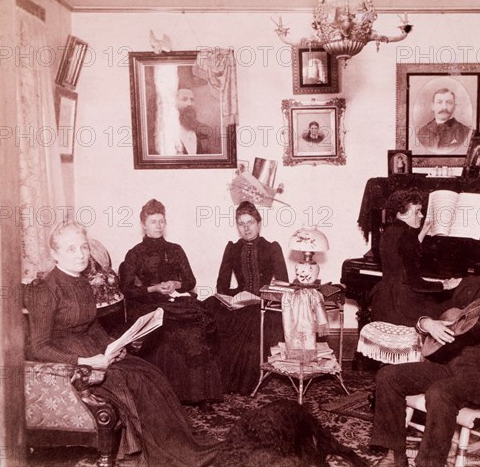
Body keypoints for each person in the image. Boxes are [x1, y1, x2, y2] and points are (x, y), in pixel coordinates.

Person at [25, 220, 219, 467]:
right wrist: (85, 361)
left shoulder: (83, 283)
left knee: (150, 371)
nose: (80, 255)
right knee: (135, 381)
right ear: (54, 253)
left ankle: (183, 445)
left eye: (84, 247)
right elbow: (38, 346)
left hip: (94, 352)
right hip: (74, 365)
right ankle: (169, 454)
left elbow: (91, 325)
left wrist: (115, 344)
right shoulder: (44, 289)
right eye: (71, 249)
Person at [370, 230, 480, 467]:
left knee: (440, 392)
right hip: (454, 368)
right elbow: (438, 310)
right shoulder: (473, 285)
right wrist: (428, 323)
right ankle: (395, 457)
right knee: (389, 376)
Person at [120, 199, 222, 404]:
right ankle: (174, 393)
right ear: (143, 225)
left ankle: (200, 393)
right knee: (179, 329)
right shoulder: (135, 253)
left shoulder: (176, 250)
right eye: (153, 221)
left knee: (199, 324)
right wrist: (154, 288)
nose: (158, 226)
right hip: (148, 303)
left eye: (161, 221)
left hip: (175, 300)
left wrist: (176, 283)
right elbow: (128, 288)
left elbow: (191, 281)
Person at [202, 201, 289, 394]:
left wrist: (261, 298)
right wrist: (230, 300)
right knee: (207, 308)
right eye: (241, 223)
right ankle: (214, 379)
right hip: (239, 298)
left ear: (259, 223)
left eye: (250, 222)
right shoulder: (232, 248)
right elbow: (221, 286)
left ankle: (243, 381)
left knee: (249, 318)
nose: (246, 227)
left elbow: (283, 284)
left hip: (263, 302)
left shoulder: (272, 248)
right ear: (237, 226)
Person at [370, 190, 460, 327]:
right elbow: (414, 283)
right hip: (402, 307)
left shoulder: (389, 231)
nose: (421, 215)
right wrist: (445, 285)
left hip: (384, 302)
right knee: (451, 312)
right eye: (417, 211)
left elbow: (402, 252)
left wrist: (423, 233)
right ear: (400, 213)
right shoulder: (407, 236)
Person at [417, 88, 471, 152]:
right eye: (439, 102)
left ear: (454, 106)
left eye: (449, 103)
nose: (444, 107)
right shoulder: (422, 132)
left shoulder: (466, 133)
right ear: (433, 106)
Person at [176, 87, 221, 154]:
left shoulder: (205, 130)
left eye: (192, 100)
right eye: (184, 99)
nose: (189, 103)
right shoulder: (167, 132)